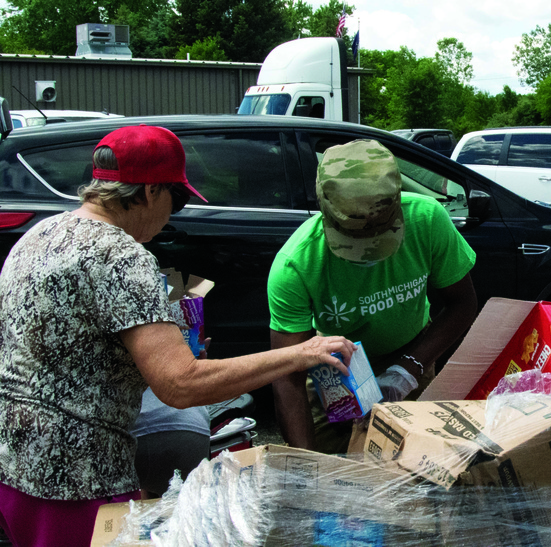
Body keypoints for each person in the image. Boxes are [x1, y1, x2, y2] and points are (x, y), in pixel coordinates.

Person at [0, 125, 355, 546]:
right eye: (178, 198)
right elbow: (180, 384)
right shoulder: (121, 256)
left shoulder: (41, 232)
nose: (174, 214)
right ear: (150, 192)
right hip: (76, 478)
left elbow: (63, 346)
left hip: (15, 463)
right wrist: (301, 354)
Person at [268, 139, 478, 454]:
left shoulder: (427, 220)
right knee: (333, 464)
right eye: (354, 241)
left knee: (415, 465)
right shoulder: (296, 265)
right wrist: (307, 465)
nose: (369, 257)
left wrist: (410, 368)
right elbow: (287, 376)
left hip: (413, 349)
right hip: (334, 369)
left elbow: (462, 304)